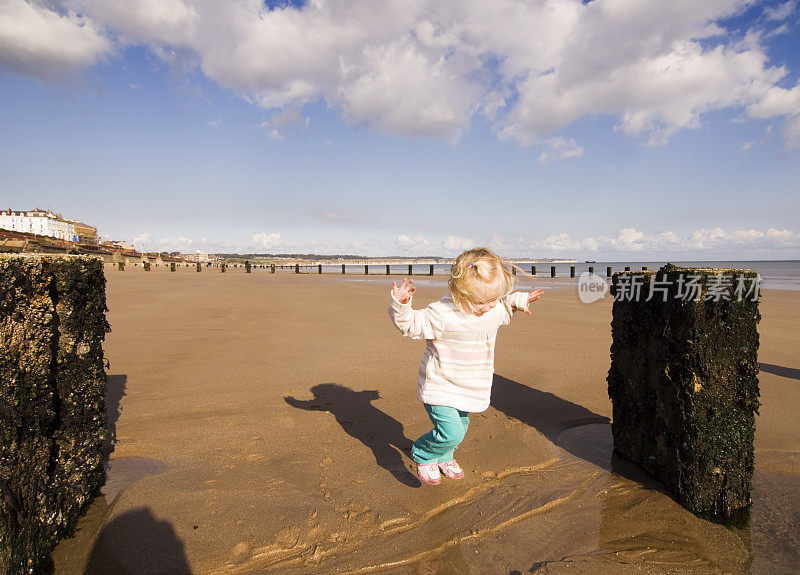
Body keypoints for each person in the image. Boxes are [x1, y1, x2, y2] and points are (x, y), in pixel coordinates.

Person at [388, 247, 543, 485]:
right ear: (460, 293)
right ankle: (424, 454)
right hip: (440, 386)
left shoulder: (490, 310)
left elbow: (504, 305)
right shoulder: (442, 314)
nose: (489, 307)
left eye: (493, 299)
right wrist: (402, 306)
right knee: (452, 431)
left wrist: (520, 299)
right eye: (482, 302)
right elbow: (412, 325)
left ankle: (444, 455)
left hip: (469, 385)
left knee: (462, 425)